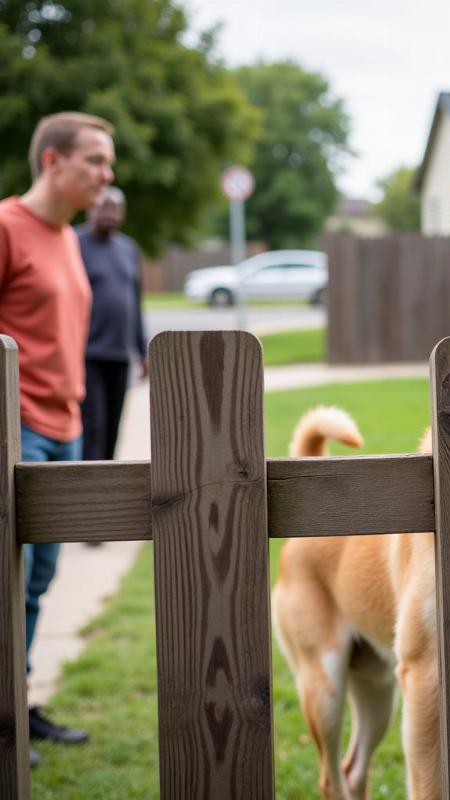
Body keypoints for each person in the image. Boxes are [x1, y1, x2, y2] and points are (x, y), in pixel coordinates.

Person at [0, 111, 115, 765]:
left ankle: (21, 701)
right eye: (96, 161)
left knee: (39, 576)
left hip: (64, 426)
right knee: (6, 580)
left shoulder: (69, 238)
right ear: (52, 161)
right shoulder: (7, 227)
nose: (107, 175)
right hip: (13, 425)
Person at [78, 186, 147, 535]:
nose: (110, 213)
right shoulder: (75, 244)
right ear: (91, 209)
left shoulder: (128, 249)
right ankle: (90, 518)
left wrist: (143, 350)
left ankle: (105, 509)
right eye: (104, 206)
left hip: (120, 357)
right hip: (87, 356)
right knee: (94, 432)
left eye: (116, 207)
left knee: (113, 433)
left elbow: (136, 304)